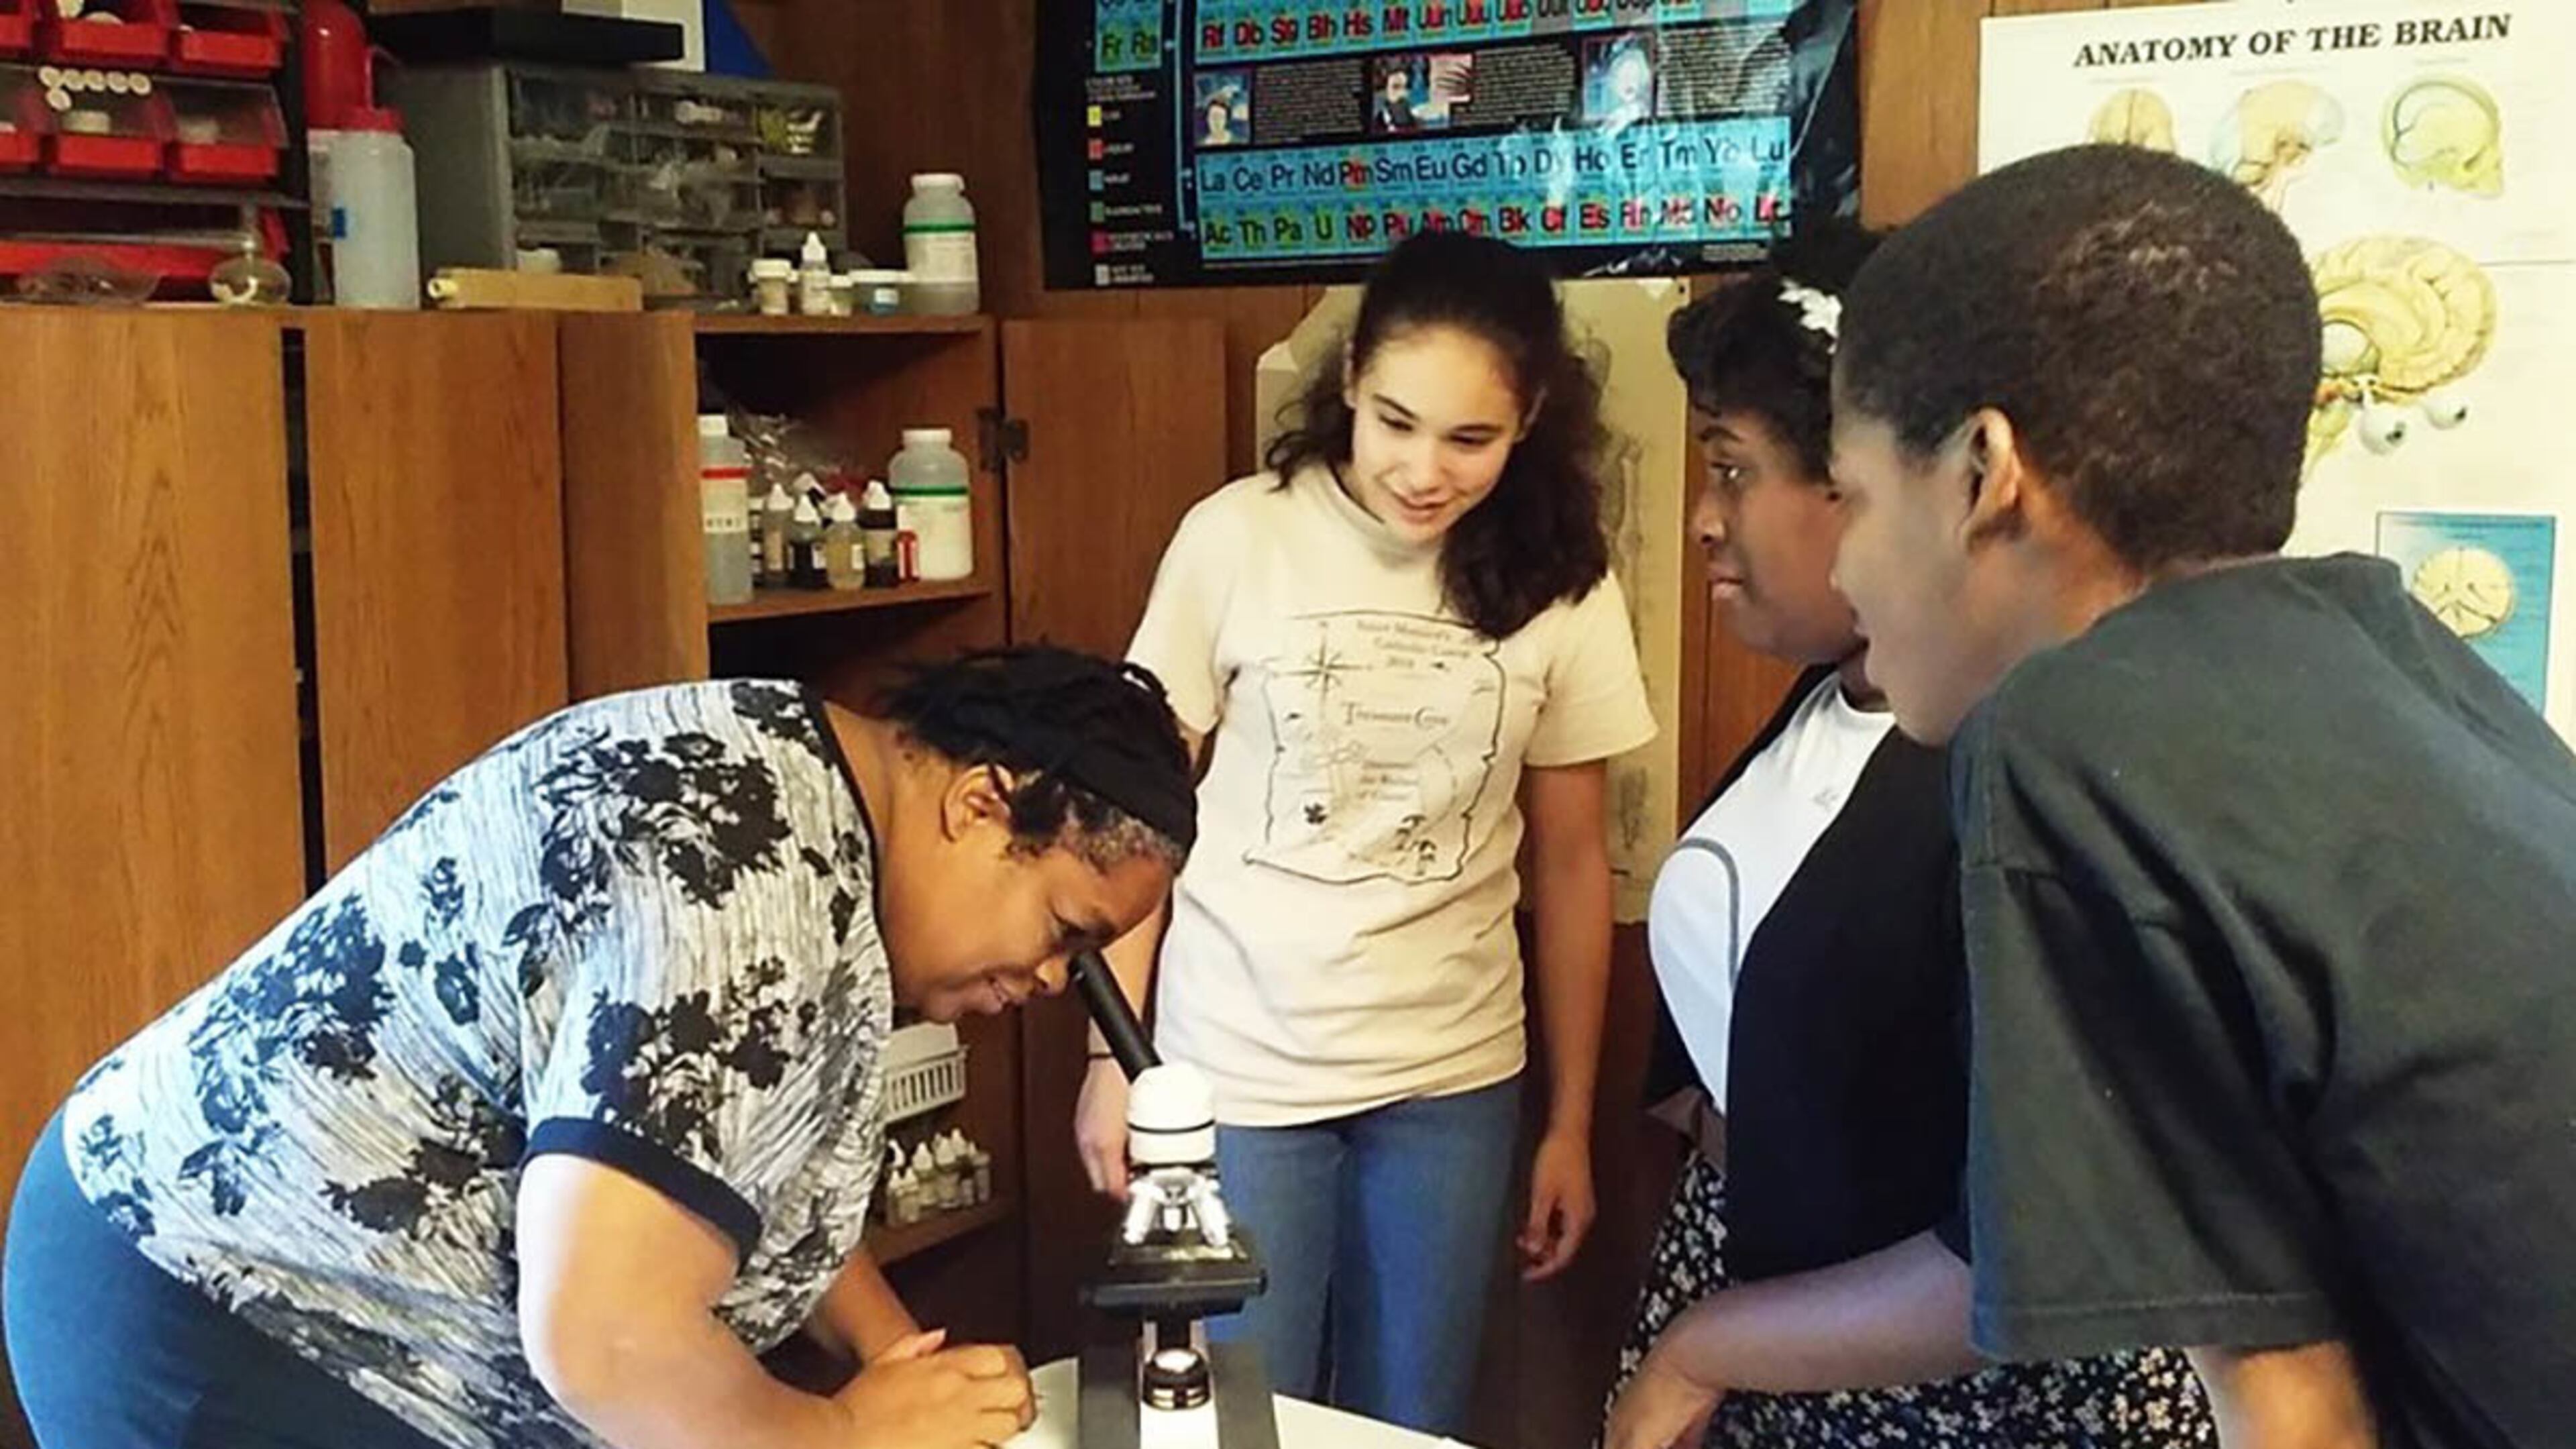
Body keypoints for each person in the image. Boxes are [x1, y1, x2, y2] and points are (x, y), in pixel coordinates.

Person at [1822, 144, 2576, 1446]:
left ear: (1983, 474)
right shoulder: (2388, 645)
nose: (1843, 566)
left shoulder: (2067, 734)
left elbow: (2296, 1411)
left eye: (1852, 496)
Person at [5, 648, 1198, 1449]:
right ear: (984, 805)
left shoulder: (810, 792)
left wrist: (892, 1351)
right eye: (1062, 934)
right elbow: (611, 1341)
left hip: (233, 1260)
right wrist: (852, 1433)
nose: (1046, 985)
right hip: (221, 1301)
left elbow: (711, 1150)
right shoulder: (745, 884)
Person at [1601, 227, 2212, 1449]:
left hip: (1955, 1396)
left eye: (1732, 470)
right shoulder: (1832, 694)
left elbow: (2042, 1224)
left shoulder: (2024, 764)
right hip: (1757, 1300)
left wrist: (1698, 1350)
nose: (1703, 522)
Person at [1073, 228, 1656, 1436]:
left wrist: (1570, 1123)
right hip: (1236, 1065)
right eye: (1395, 421)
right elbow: (1136, 812)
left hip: (1451, 1080)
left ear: (1531, 420)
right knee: (1236, 1417)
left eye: (1470, 438)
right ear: (1347, 385)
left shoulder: (1565, 577)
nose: (1425, 470)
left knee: (1412, 1421)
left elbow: (1569, 858)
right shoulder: (1236, 534)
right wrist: (1109, 1064)